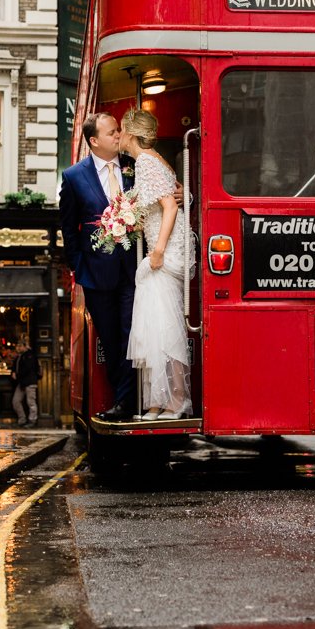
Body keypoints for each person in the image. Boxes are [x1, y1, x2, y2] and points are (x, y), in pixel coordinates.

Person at [59, 111, 185, 422]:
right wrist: (80, 269)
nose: (118, 135)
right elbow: (68, 228)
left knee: (134, 334)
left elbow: (166, 189)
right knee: (112, 340)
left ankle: (128, 404)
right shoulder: (74, 176)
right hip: (96, 275)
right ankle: (124, 398)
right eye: (112, 132)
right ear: (94, 140)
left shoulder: (133, 166)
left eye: (119, 131)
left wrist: (179, 193)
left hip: (135, 268)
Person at [121, 108, 195, 420]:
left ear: (132, 133)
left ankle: (177, 401)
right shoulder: (153, 159)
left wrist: (160, 249)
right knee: (154, 327)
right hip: (160, 247)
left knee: (165, 329)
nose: (120, 136)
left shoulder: (147, 162)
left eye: (123, 130)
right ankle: (158, 402)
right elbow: (167, 200)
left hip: (163, 253)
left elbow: (169, 207)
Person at [11, 337, 41, 428]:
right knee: (16, 401)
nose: (18, 348)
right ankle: (22, 419)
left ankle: (32, 420)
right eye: (17, 346)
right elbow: (15, 366)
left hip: (29, 382)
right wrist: (13, 372)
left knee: (31, 402)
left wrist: (17, 374)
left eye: (20, 346)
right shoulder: (20, 356)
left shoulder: (29, 355)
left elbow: (28, 368)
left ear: (25, 346)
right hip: (22, 383)